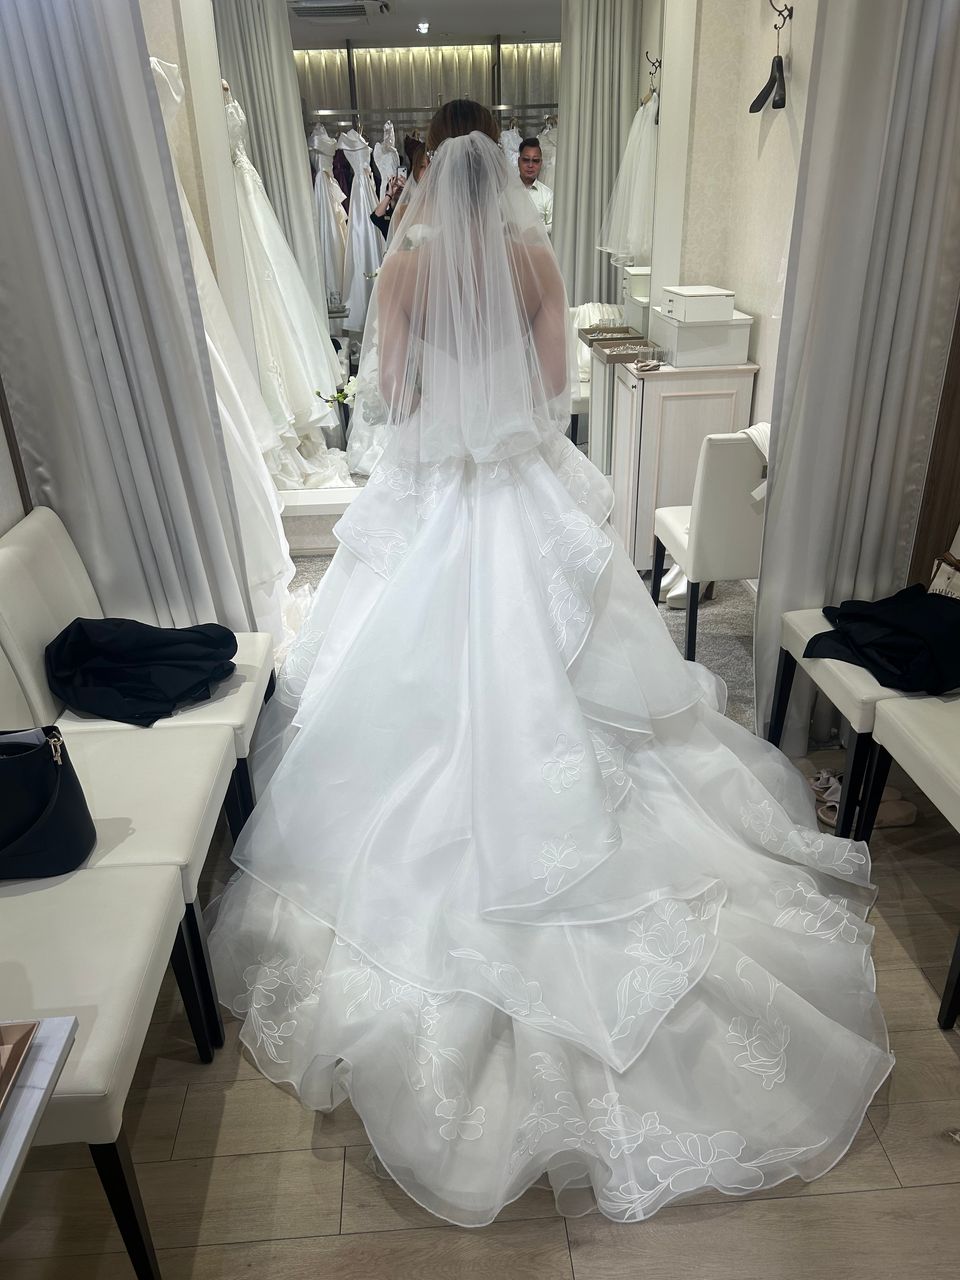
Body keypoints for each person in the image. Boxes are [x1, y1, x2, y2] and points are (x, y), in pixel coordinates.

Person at [208, 98, 892, 1228]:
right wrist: (498, 420)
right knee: (594, 697)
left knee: (395, 698)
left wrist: (444, 417)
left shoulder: (402, 272)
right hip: (520, 492)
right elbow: (552, 395)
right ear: (502, 169)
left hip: (438, 499)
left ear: (432, 171)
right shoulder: (533, 261)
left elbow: (394, 396)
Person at [518, 136, 553, 234]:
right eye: (526, 160)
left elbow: (554, 226)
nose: (530, 165)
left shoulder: (547, 195)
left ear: (541, 163)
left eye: (535, 161)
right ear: (518, 161)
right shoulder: (505, 192)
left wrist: (537, 230)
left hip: (537, 243)